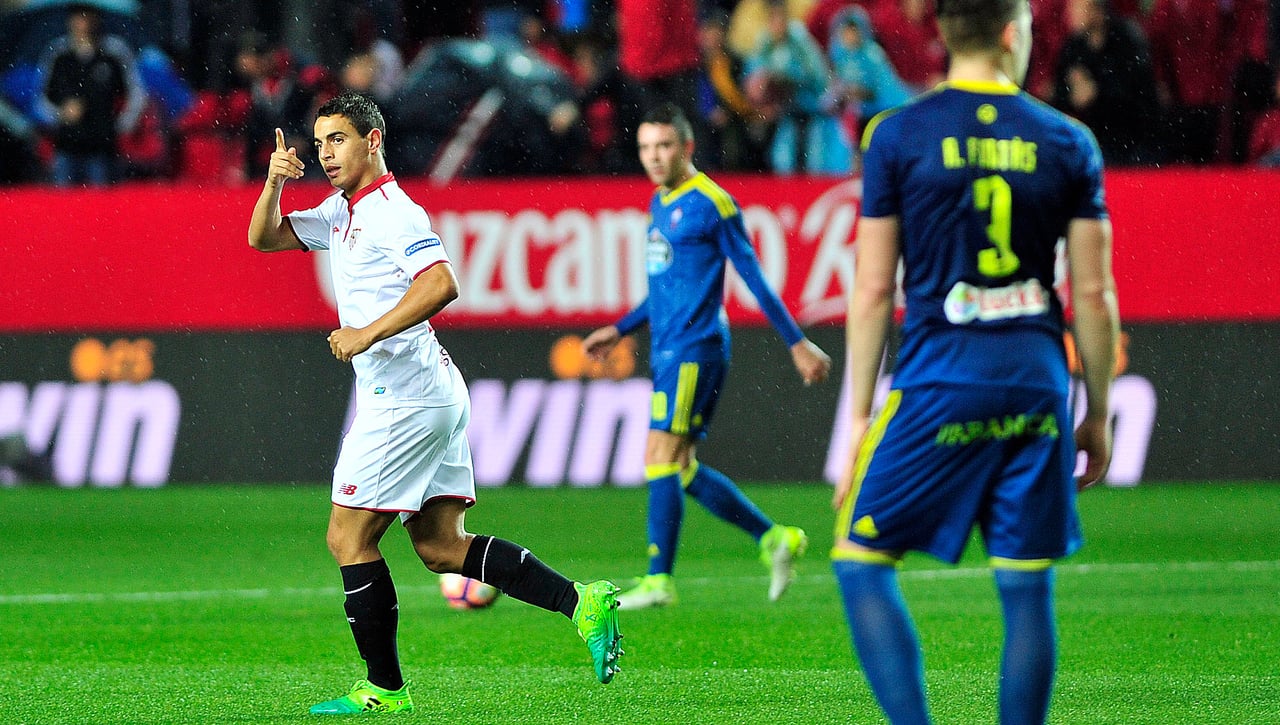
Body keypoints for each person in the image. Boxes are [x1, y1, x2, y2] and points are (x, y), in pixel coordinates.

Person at [246, 92, 624, 715]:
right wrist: (273, 183)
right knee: (442, 547)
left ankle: (383, 688)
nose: (325, 154)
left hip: (405, 399)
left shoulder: (394, 213)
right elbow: (263, 238)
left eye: (337, 140)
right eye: (318, 144)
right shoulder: (341, 210)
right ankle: (581, 602)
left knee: (347, 537)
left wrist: (367, 334)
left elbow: (443, 282)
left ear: (372, 140)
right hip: (429, 391)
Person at [831, 0, 1120, 721]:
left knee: (859, 562)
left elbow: (872, 290)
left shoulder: (896, 135)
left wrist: (859, 416)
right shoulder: (1067, 140)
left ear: (943, 34)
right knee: (1024, 585)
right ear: (1011, 33)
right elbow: (1093, 293)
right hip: (1036, 381)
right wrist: (1098, 412)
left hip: (940, 378)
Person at [582, 103, 832, 610]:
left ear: (687, 147)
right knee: (681, 466)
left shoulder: (712, 203)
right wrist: (620, 328)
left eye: (664, 146)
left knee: (659, 457)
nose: (654, 157)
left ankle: (659, 581)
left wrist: (797, 343)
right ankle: (774, 537)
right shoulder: (660, 201)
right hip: (669, 347)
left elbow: (754, 278)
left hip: (695, 349)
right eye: (646, 148)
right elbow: (667, 288)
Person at [36, 4, 146, 186]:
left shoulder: (114, 52)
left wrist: (119, 126)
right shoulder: (59, 54)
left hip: (102, 147)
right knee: (63, 199)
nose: (83, 23)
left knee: (102, 199)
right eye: (78, 17)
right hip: (66, 145)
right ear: (70, 21)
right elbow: (41, 97)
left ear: (97, 19)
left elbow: (137, 94)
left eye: (87, 17)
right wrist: (61, 114)